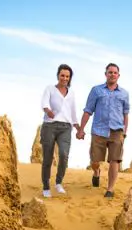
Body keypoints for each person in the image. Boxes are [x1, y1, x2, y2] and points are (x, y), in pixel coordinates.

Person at [77, 63, 129, 198]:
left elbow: (125, 114)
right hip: (99, 131)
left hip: (117, 131)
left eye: (115, 72)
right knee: (95, 161)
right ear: (105, 74)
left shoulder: (124, 94)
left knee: (115, 160)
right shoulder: (96, 90)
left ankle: (110, 189)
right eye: (110, 72)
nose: (112, 74)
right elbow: (88, 110)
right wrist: (81, 129)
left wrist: (124, 133)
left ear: (118, 75)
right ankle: (96, 172)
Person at [40, 63, 81, 198]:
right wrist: (48, 111)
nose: (64, 78)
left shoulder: (71, 93)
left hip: (65, 127)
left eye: (67, 76)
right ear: (58, 75)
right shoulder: (50, 89)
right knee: (48, 157)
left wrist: (77, 126)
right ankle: (46, 186)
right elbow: (44, 103)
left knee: (64, 155)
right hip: (50, 125)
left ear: (70, 78)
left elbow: (72, 110)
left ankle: (58, 182)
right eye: (62, 75)